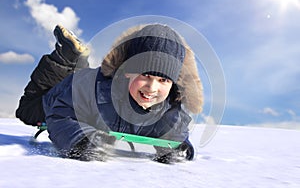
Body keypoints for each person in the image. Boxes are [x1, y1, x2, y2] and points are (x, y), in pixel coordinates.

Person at [16, 23, 203, 164]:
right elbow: (59, 115)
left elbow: (177, 132)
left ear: (174, 84)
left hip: (84, 85)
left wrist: (179, 148)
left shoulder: (171, 109)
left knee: (82, 77)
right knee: (27, 110)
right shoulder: (94, 89)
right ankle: (67, 56)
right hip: (64, 95)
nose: (152, 88)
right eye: (145, 75)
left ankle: (78, 60)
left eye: (163, 80)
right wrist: (80, 140)